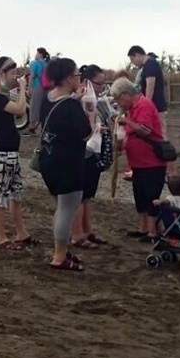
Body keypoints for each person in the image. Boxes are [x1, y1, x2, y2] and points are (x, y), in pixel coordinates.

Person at [37, 58, 91, 271]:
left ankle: (62, 249)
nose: (79, 78)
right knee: (67, 209)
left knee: (61, 208)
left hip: (48, 160)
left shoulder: (47, 98)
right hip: (68, 163)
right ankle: (59, 255)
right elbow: (85, 134)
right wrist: (88, 111)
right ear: (69, 78)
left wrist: (74, 100)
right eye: (77, 75)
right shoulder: (71, 106)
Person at [111, 77, 169, 241]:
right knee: (140, 196)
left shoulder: (144, 105)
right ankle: (143, 228)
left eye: (118, 99)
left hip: (152, 162)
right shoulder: (133, 108)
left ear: (125, 94)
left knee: (151, 197)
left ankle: (152, 231)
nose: (119, 103)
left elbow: (145, 130)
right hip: (139, 163)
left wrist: (126, 121)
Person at [0, 57, 33, 250]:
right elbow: (20, 109)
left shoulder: (1, 95)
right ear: (1, 73)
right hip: (3, 153)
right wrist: (22, 88)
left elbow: (22, 110)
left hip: (10, 151)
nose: (15, 77)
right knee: (1, 195)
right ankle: (0, 237)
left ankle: (21, 232)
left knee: (16, 195)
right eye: (12, 73)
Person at [71, 65, 113, 249]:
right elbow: (81, 126)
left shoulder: (94, 98)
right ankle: (77, 234)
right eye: (99, 83)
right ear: (88, 81)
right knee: (80, 195)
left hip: (94, 148)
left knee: (88, 195)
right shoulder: (81, 99)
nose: (101, 87)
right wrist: (95, 127)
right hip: (85, 149)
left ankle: (87, 231)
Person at [127, 45, 168, 128]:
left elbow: (150, 86)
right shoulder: (147, 66)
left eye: (132, 59)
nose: (133, 63)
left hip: (156, 107)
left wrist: (146, 106)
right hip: (153, 106)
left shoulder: (150, 65)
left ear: (137, 55)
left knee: (160, 134)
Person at [27, 48, 50, 133]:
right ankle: (41, 125)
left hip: (37, 86)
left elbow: (32, 76)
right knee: (43, 106)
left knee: (34, 106)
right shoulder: (47, 64)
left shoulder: (35, 63)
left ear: (40, 54)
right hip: (47, 87)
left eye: (37, 53)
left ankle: (31, 127)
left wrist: (29, 88)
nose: (35, 54)